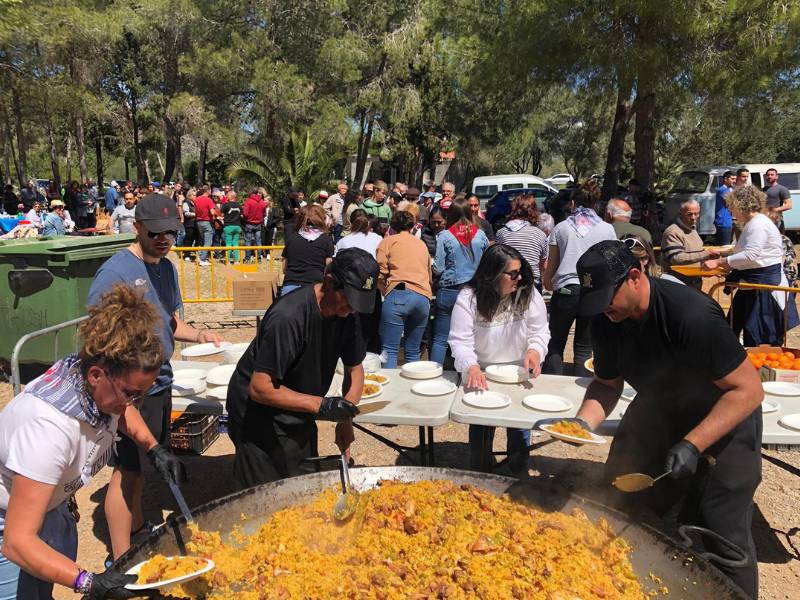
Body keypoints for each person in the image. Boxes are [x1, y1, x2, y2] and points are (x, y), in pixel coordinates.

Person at [566, 239, 764, 599]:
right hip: (662, 407)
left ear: (636, 276)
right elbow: (607, 385)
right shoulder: (607, 321)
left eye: (609, 296)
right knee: (618, 492)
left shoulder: (691, 315)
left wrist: (693, 443)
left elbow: (748, 390)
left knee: (718, 528)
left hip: (725, 414)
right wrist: (581, 422)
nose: (603, 307)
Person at [0, 284, 184, 599]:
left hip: (52, 509)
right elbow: (17, 541)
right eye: (131, 393)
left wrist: (153, 448)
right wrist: (90, 583)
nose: (134, 403)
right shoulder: (49, 429)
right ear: (97, 375)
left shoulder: (96, 381)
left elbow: (123, 411)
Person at [88, 193, 222, 561]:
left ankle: (137, 527)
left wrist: (200, 335)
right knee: (127, 470)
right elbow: (96, 337)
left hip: (160, 382)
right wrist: (119, 394)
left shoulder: (166, 267)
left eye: (171, 233)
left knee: (142, 470)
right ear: (138, 228)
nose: (164, 240)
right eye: (156, 233)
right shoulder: (115, 273)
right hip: (129, 392)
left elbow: (169, 319)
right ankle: (121, 558)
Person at [227, 249, 378, 487]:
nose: (353, 308)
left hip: (298, 405)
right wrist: (323, 405)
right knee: (264, 490)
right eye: (349, 299)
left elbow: (355, 369)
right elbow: (260, 387)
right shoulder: (289, 317)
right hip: (255, 410)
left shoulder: (347, 314)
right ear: (329, 282)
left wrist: (345, 418)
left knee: (303, 482)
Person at [450, 245, 549, 474]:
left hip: (518, 372)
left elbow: (539, 331)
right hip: (481, 372)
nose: (519, 278)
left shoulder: (528, 293)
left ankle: (518, 475)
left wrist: (534, 350)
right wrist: (471, 366)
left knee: (519, 430)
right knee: (481, 432)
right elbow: (460, 341)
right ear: (492, 275)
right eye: (513, 274)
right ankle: (480, 475)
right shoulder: (469, 298)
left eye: (520, 271)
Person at [703, 185, 799, 345]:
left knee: (759, 339)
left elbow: (751, 254)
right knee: (736, 329)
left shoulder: (758, 224)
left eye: (731, 206)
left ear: (742, 204)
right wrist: (726, 260)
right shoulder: (754, 223)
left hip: (764, 288)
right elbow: (748, 253)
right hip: (752, 286)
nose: (730, 211)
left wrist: (719, 262)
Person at [542, 184, 616, 376]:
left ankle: (551, 387)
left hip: (566, 290)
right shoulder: (607, 229)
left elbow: (551, 267)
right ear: (596, 204)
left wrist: (549, 282)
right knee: (584, 347)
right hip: (593, 293)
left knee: (556, 343)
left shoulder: (561, 228)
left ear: (573, 203)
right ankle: (580, 390)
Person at [431, 201, 490, 365]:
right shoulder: (480, 235)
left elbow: (439, 268)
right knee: (473, 338)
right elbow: (487, 263)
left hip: (450, 291)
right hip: (474, 292)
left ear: (450, 215)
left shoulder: (444, 235)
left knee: (441, 339)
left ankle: (436, 374)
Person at [376, 210, 433, 367]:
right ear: (413, 225)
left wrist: (384, 291)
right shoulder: (421, 244)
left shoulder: (387, 242)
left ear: (393, 225)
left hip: (398, 293)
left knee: (389, 350)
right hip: (423, 296)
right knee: (413, 351)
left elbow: (380, 273)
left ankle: (390, 390)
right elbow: (429, 274)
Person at [660, 200, 719, 289]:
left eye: (696, 214)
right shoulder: (672, 232)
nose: (693, 217)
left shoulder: (692, 229)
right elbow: (676, 258)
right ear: (680, 213)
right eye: (689, 214)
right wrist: (706, 254)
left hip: (694, 283)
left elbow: (697, 255)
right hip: (678, 285)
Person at [495, 194, 549, 291]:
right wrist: (543, 281)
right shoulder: (540, 234)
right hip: (532, 281)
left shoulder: (501, 233)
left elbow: (499, 259)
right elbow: (543, 265)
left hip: (510, 280)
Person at [281, 205, 335, 296]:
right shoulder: (326, 240)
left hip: (290, 287)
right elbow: (328, 266)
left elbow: (284, 267)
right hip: (315, 287)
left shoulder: (291, 238)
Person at [762, 167, 792, 233]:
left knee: (777, 241)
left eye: (772, 175)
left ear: (777, 176)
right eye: (768, 175)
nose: (769, 176)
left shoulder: (782, 189)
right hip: (764, 220)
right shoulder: (763, 189)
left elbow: (789, 205)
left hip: (776, 220)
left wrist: (773, 210)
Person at [193, 186, 215, 266]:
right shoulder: (209, 200)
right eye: (211, 191)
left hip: (198, 221)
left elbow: (195, 210)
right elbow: (212, 212)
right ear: (208, 191)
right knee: (208, 241)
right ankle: (202, 259)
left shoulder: (197, 199)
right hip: (207, 222)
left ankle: (200, 256)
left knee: (202, 240)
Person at [242, 188, 265, 261]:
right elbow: (264, 214)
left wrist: (245, 217)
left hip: (249, 223)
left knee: (248, 241)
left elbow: (245, 213)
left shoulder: (248, 201)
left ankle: (247, 258)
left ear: (251, 193)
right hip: (258, 224)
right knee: (258, 241)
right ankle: (259, 257)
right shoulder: (262, 202)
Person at [714, 170, 735, 245]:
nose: (734, 181)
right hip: (723, 222)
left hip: (725, 221)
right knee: (725, 247)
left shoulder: (729, 189)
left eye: (735, 179)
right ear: (725, 179)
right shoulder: (723, 190)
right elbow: (732, 203)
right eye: (732, 179)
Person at [221, 191, 243, 262]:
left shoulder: (226, 205)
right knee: (236, 244)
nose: (226, 196)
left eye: (227, 195)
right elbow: (242, 215)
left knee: (228, 243)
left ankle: (228, 261)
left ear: (231, 196)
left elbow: (221, 215)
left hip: (228, 226)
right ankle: (236, 261)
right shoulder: (239, 205)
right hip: (237, 226)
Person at [180, 188, 198, 260]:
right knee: (188, 239)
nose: (195, 196)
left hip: (194, 224)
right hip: (189, 224)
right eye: (194, 195)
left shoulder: (194, 203)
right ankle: (186, 254)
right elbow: (186, 213)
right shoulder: (186, 203)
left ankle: (190, 253)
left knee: (193, 238)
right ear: (190, 195)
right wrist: (196, 214)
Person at [261, 191, 277, 258]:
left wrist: (271, 223)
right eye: (264, 200)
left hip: (271, 227)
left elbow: (276, 218)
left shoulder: (273, 209)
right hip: (263, 227)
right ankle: (262, 253)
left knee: (269, 240)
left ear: (269, 201)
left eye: (265, 200)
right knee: (263, 240)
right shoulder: (262, 208)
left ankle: (268, 253)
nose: (264, 201)